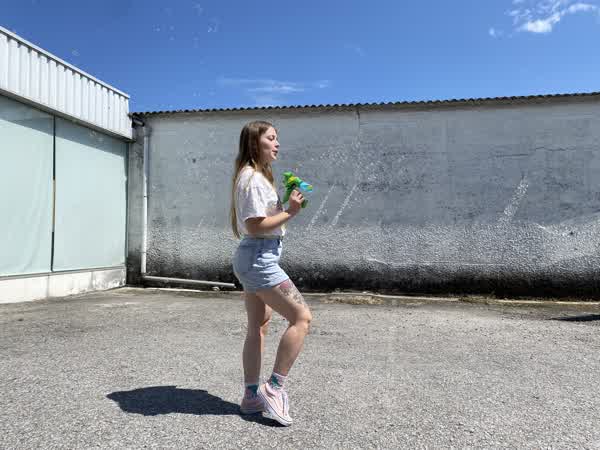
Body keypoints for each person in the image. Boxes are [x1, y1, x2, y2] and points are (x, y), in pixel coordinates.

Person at [229, 120, 312, 426]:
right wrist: (290, 212)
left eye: (277, 139)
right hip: (259, 258)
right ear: (256, 143)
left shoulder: (254, 177)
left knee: (258, 326)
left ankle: (252, 396)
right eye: (272, 138)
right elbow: (255, 226)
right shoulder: (252, 178)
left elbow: (259, 221)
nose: (277, 144)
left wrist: (287, 203)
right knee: (302, 317)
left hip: (253, 256)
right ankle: (273, 388)